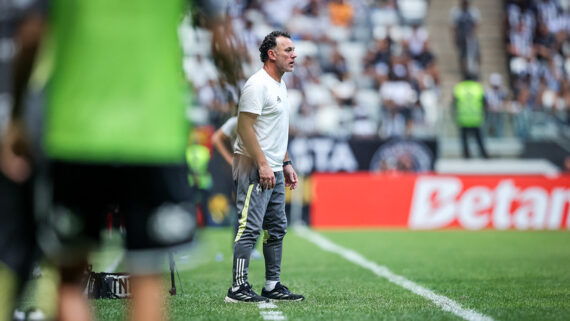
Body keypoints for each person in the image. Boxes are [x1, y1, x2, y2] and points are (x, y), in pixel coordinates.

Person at [2, 1, 240, 321]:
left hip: (76, 133)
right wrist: (238, 90)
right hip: (153, 134)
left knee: (70, 278)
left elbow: (31, 35)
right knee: (146, 276)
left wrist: (18, 115)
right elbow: (221, 37)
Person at [224, 31, 304, 303]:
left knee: (276, 228)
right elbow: (244, 129)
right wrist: (262, 164)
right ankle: (237, 288)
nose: (294, 55)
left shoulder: (279, 84)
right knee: (249, 228)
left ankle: (272, 285)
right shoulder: (257, 84)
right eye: (288, 50)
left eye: (293, 50)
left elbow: (274, 131)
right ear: (272, 54)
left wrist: (286, 162)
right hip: (254, 166)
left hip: (274, 168)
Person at [212, 116, 263, 260]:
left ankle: (248, 248)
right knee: (245, 210)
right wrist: (231, 160)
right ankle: (242, 248)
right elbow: (216, 138)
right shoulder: (236, 121)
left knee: (256, 209)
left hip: (260, 167)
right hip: (243, 170)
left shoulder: (260, 120)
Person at [453, 73, 489, 159]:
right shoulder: (478, 87)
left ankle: (466, 155)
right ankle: (484, 154)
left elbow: (454, 102)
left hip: (463, 117)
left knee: (464, 138)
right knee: (479, 138)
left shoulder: (459, 87)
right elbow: (484, 102)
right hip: (476, 117)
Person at [450, 0, 481, 78]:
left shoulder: (473, 12)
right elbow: (454, 26)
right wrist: (455, 37)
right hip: (460, 38)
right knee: (462, 55)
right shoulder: (456, 12)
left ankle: (473, 73)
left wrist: (473, 35)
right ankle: (463, 72)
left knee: (473, 55)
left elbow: (476, 24)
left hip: (470, 38)